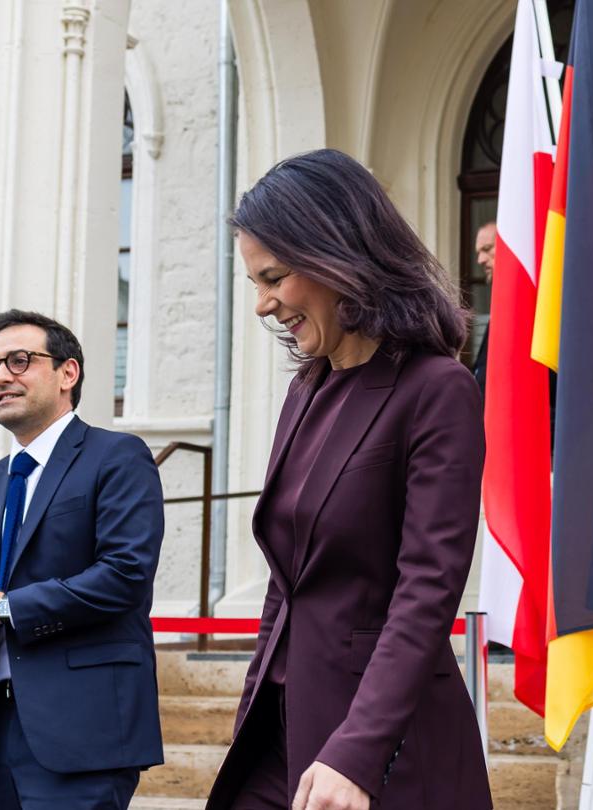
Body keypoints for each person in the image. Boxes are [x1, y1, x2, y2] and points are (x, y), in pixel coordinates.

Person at [203, 148, 490, 810]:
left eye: (273, 278)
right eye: (254, 282)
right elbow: (286, 584)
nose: (262, 305)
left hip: (384, 746)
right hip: (277, 731)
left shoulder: (436, 389)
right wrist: (252, 707)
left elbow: (426, 588)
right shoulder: (306, 389)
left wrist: (358, 751)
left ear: (337, 256)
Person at [0, 310, 165, 810]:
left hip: (84, 727)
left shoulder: (117, 457)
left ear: (68, 373)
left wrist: (3, 607)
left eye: (19, 361)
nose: (1, 376)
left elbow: (124, 575)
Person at [471, 220, 498, 391]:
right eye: (478, 252)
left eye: (487, 249)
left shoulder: (531, 306)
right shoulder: (498, 306)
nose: (480, 260)